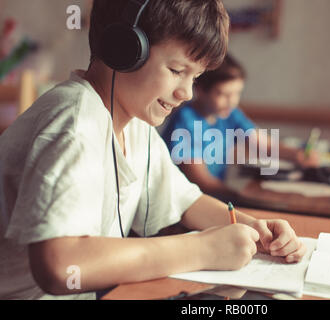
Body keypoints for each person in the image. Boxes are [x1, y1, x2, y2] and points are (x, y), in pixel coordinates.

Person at [0, 0, 306, 300]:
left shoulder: (136, 127)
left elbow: (186, 202)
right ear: (124, 50)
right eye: (176, 70)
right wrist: (202, 249)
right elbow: (59, 265)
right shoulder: (75, 123)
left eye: (195, 77)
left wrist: (256, 230)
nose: (186, 93)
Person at [162, 54, 318, 201]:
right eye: (223, 94)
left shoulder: (228, 113)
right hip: (185, 204)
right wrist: (242, 198)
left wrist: (297, 155)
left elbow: (262, 144)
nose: (232, 101)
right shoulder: (185, 121)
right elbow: (202, 182)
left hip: (213, 198)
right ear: (200, 89)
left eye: (237, 93)